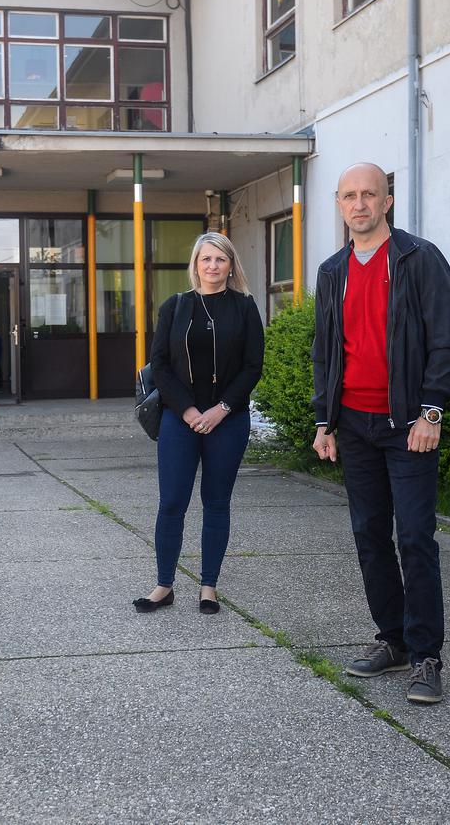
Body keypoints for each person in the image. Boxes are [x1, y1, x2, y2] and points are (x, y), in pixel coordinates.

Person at [310, 163, 450, 704]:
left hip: (408, 426)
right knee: (369, 535)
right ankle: (392, 640)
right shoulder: (332, 271)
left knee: (416, 537)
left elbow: (447, 340)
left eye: (369, 194)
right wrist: (324, 420)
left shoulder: (419, 259)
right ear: (339, 204)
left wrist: (431, 413)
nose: (359, 204)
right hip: (354, 426)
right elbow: (325, 352)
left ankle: (426, 656)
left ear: (386, 201)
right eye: (349, 196)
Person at [134, 232, 263, 615]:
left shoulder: (245, 307)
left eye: (220, 259)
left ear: (230, 265)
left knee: (216, 502)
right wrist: (189, 411)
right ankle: (164, 586)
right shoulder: (175, 307)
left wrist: (221, 409)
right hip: (179, 420)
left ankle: (209, 587)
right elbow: (160, 365)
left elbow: (252, 366)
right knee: (172, 502)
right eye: (206, 259)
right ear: (195, 264)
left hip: (228, 419)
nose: (212, 265)